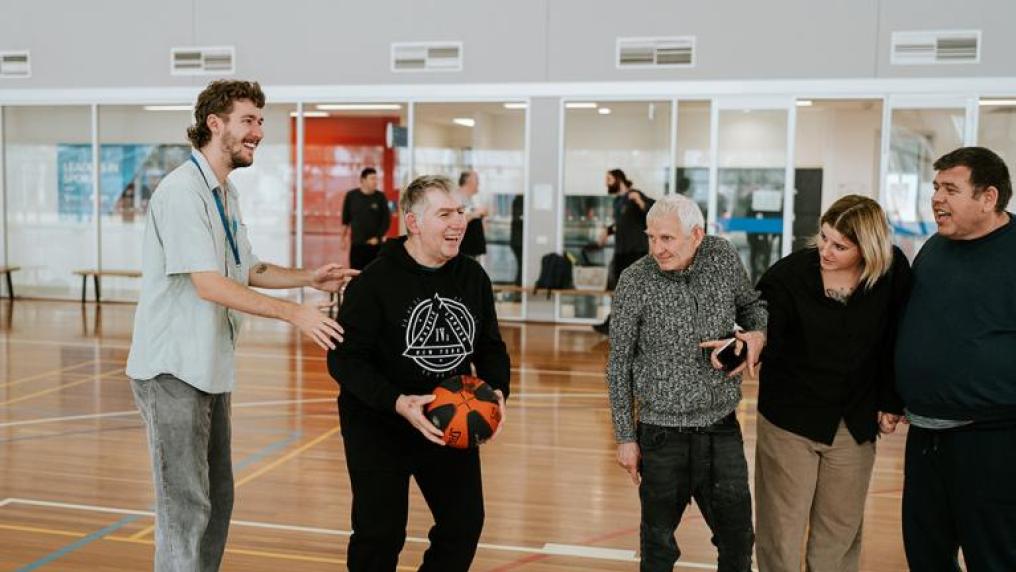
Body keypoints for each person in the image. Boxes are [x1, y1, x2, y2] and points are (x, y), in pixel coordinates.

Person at [125, 79, 357, 571]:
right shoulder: (182, 192)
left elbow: (246, 267)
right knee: (184, 508)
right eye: (248, 121)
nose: (258, 132)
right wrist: (295, 313)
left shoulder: (224, 194)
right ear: (215, 124)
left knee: (217, 501)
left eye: (259, 122)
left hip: (209, 370)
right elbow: (209, 284)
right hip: (172, 372)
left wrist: (308, 279)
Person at [328, 174, 511, 572]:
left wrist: (496, 392)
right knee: (380, 534)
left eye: (460, 211)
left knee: (463, 524)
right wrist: (397, 402)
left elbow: (491, 347)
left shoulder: (472, 277)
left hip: (448, 420)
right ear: (413, 223)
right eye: (444, 213)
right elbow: (343, 360)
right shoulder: (374, 282)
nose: (458, 222)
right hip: (378, 422)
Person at [607, 194, 766, 572]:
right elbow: (618, 364)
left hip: (721, 430)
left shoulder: (722, 257)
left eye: (667, 239)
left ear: (696, 234)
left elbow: (753, 306)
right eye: (651, 238)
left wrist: (754, 338)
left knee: (738, 541)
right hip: (661, 436)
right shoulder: (634, 280)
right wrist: (625, 437)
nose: (656, 249)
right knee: (657, 548)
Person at [753, 195, 912, 572]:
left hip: (853, 421)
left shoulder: (891, 272)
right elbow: (762, 328)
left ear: (868, 248)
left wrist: (892, 400)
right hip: (790, 420)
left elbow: (896, 338)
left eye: (840, 246)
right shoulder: (788, 276)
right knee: (782, 529)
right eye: (823, 237)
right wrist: (749, 341)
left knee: (839, 530)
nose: (825, 250)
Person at [895, 146, 1016, 571]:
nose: (937, 199)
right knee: (926, 554)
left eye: (951, 189)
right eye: (935, 187)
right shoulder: (935, 249)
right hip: (926, 432)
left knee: (994, 556)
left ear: (989, 198)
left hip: (992, 438)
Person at [594, 169, 654, 334]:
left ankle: (631, 326)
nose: (606, 182)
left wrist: (641, 202)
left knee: (633, 290)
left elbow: (653, 212)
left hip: (636, 251)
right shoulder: (617, 202)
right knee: (618, 289)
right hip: (621, 251)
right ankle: (614, 323)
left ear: (618, 179)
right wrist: (608, 231)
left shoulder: (634, 195)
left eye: (609, 179)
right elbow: (621, 224)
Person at [341, 167, 391, 270]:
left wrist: (377, 237)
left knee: (374, 275)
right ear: (363, 180)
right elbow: (346, 219)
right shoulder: (351, 196)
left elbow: (386, 220)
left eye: (376, 179)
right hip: (357, 245)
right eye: (372, 178)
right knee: (356, 275)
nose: (375, 182)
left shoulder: (380, 197)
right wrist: (343, 238)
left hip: (375, 246)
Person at [455, 170, 488, 259]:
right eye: (476, 180)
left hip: (470, 250)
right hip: (463, 250)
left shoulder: (469, 199)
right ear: (468, 181)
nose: (479, 183)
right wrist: (477, 213)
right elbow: (457, 220)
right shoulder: (457, 197)